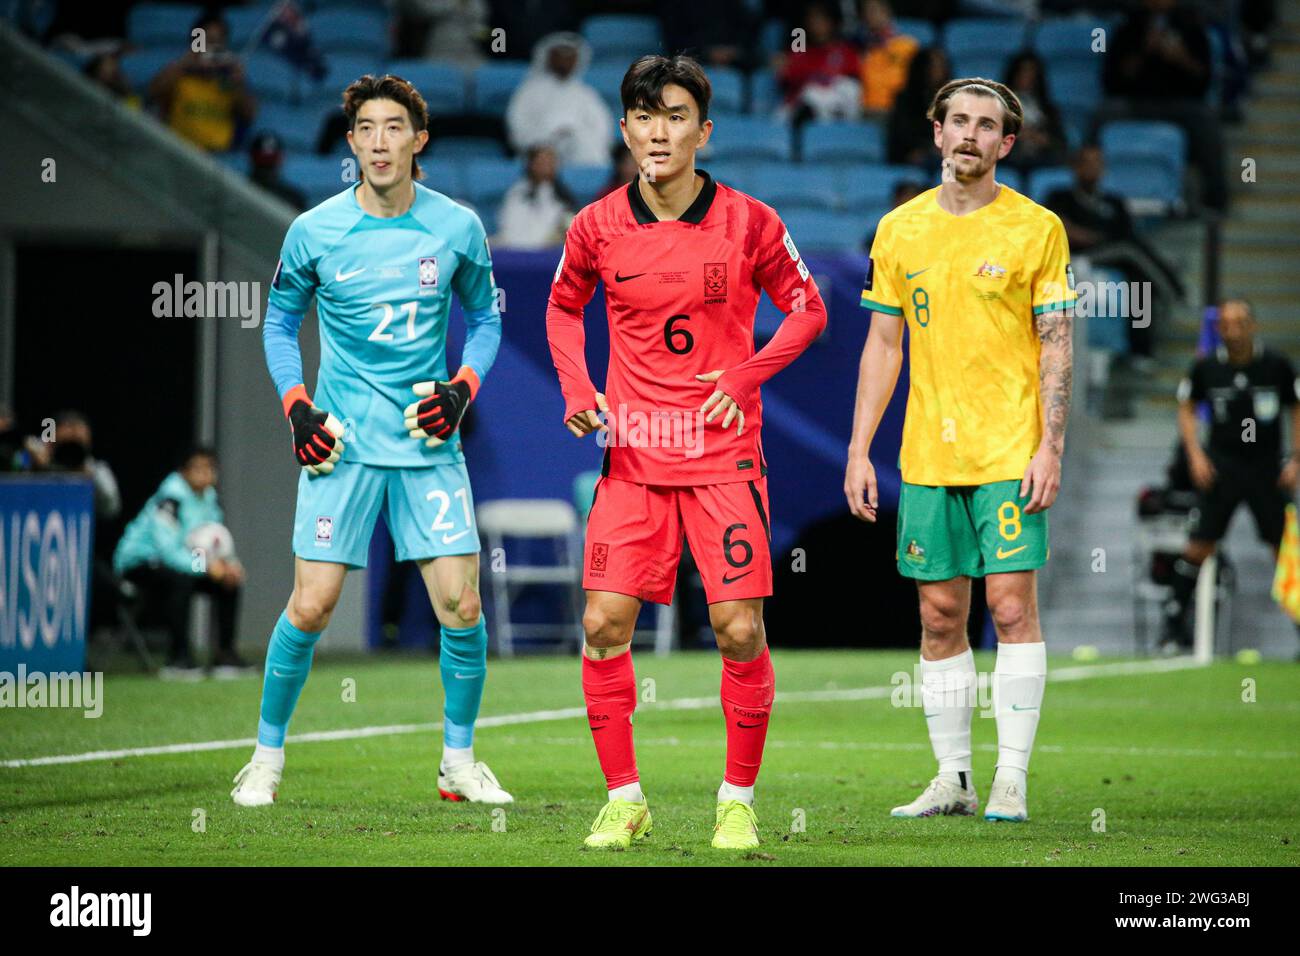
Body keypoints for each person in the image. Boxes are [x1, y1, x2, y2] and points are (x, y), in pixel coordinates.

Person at [547, 54, 828, 851]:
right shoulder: (595, 225)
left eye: (675, 115)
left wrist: (746, 373)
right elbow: (563, 311)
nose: (658, 131)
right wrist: (575, 391)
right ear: (626, 129)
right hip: (633, 457)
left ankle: (736, 799)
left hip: (723, 459)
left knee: (738, 628)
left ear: (703, 130)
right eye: (644, 115)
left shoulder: (751, 222)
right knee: (603, 623)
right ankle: (624, 798)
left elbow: (807, 310)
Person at [230, 73, 508, 808]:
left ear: (419, 140)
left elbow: (486, 322)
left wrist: (461, 390)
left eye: (394, 128)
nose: (379, 141)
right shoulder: (313, 230)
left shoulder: (457, 228)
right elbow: (278, 322)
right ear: (351, 142)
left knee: (464, 607)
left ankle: (459, 761)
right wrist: (297, 407)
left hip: (426, 446)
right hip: (342, 446)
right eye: (366, 129)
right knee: (312, 606)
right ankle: (264, 757)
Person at [846, 78, 1075, 824]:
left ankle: (1011, 777)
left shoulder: (1037, 228)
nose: (971, 135)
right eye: (960, 122)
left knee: (1010, 609)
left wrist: (1051, 446)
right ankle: (954, 779)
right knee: (940, 615)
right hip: (928, 457)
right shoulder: (899, 230)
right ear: (937, 131)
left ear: (1006, 145)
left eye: (988, 126)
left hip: (1009, 451)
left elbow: (1056, 343)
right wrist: (859, 449)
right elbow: (884, 343)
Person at [1164, 300, 1300, 650]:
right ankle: (1173, 624)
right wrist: (1195, 455)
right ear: (1219, 329)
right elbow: (1186, 407)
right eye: (1226, 324)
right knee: (1198, 546)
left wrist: (1296, 459)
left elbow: (1296, 408)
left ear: (1253, 326)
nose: (1233, 330)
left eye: (1240, 323)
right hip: (1222, 468)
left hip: (1267, 468)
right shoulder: (1206, 368)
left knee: (1286, 551)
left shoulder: (1277, 366)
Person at [113, 447, 246, 677]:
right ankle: (179, 657)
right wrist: (205, 566)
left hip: (185, 562)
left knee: (229, 582)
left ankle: (225, 656)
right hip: (141, 561)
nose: (205, 474)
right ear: (183, 472)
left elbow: (213, 539)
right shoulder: (170, 498)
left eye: (210, 468)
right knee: (181, 581)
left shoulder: (209, 497)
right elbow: (167, 550)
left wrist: (227, 563)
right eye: (198, 468)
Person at [147, 10, 257, 153]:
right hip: (180, 152)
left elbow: (250, 114)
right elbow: (154, 92)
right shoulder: (179, 73)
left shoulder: (231, 78)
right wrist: (187, 62)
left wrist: (238, 82)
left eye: (218, 42)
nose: (211, 48)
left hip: (218, 157)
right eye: (208, 41)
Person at [505, 32, 613, 166]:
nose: (565, 61)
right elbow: (518, 128)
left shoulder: (585, 93)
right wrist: (551, 135)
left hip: (579, 154)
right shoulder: (529, 91)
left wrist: (573, 135)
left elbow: (602, 128)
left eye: (570, 57)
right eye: (561, 56)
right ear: (549, 57)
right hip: (540, 151)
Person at [776, 1, 861, 122]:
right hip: (799, 110)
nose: (816, 23)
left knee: (848, 88)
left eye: (821, 19)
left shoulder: (845, 52)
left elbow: (851, 86)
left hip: (836, 111)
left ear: (831, 22)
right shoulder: (799, 50)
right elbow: (788, 79)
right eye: (812, 19)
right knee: (811, 94)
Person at [494, 145, 577, 249]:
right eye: (541, 162)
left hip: (550, 254)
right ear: (531, 165)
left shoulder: (564, 197)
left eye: (550, 162)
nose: (545, 166)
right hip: (517, 250)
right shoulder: (517, 194)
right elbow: (509, 226)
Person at [1000, 51, 1066, 171]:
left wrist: (1043, 140)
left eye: (1031, 72)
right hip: (1009, 161)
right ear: (1014, 74)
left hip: (1042, 161)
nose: (1027, 76)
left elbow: (1060, 143)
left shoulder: (1048, 109)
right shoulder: (999, 105)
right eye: (1023, 71)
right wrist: (1017, 136)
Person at [886, 46, 950, 165]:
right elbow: (901, 134)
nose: (937, 71)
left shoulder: (954, 100)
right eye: (932, 66)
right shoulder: (905, 99)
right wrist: (922, 150)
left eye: (941, 66)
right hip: (911, 158)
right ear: (921, 69)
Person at [855, 0, 919, 114]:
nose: (871, 16)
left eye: (875, 10)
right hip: (869, 110)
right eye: (866, 12)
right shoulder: (861, 48)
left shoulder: (908, 45)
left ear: (888, 12)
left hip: (900, 110)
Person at [249, 131, 308, 211]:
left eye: (270, 164)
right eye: (263, 164)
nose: (266, 169)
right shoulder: (237, 188)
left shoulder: (294, 198)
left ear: (281, 160)